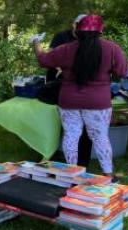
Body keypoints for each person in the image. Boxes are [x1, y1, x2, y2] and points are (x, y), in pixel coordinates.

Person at [32, 15, 128, 180]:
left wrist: (35, 43)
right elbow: (122, 72)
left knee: (71, 135)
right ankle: (109, 175)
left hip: (69, 101)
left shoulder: (66, 49)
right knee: (100, 137)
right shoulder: (112, 49)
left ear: (77, 30)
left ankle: (72, 175)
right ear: (100, 30)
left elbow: (43, 60)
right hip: (98, 102)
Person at [47, 14, 93, 168]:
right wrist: (61, 69)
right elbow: (50, 56)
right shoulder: (61, 37)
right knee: (65, 126)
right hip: (59, 85)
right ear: (73, 24)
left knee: (84, 128)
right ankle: (57, 156)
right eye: (78, 24)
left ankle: (81, 165)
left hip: (83, 89)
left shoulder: (92, 41)